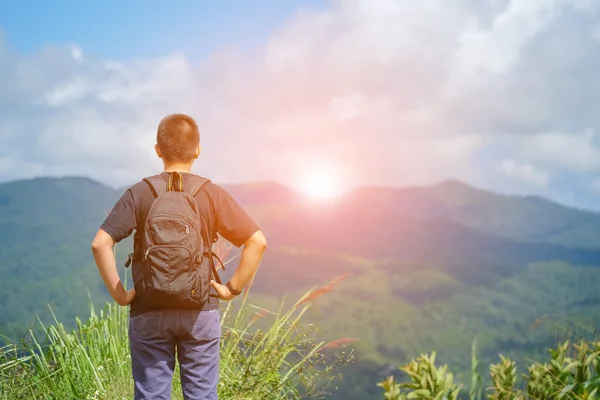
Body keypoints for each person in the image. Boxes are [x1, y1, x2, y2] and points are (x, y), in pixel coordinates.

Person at [91, 113, 267, 400]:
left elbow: (100, 244)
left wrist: (121, 295)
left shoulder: (140, 193)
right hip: (201, 309)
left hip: (148, 309)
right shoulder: (211, 194)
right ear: (197, 150)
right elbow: (257, 241)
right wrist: (230, 289)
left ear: (158, 150)